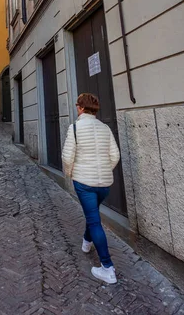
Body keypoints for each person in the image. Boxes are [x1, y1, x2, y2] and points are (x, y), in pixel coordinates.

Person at [62, 92, 120, 285]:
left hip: (84, 183)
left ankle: (107, 268)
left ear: (80, 108)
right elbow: (115, 155)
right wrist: (103, 170)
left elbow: (67, 157)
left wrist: (70, 174)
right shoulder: (104, 128)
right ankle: (87, 243)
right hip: (104, 184)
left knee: (94, 221)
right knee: (92, 214)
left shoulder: (76, 127)